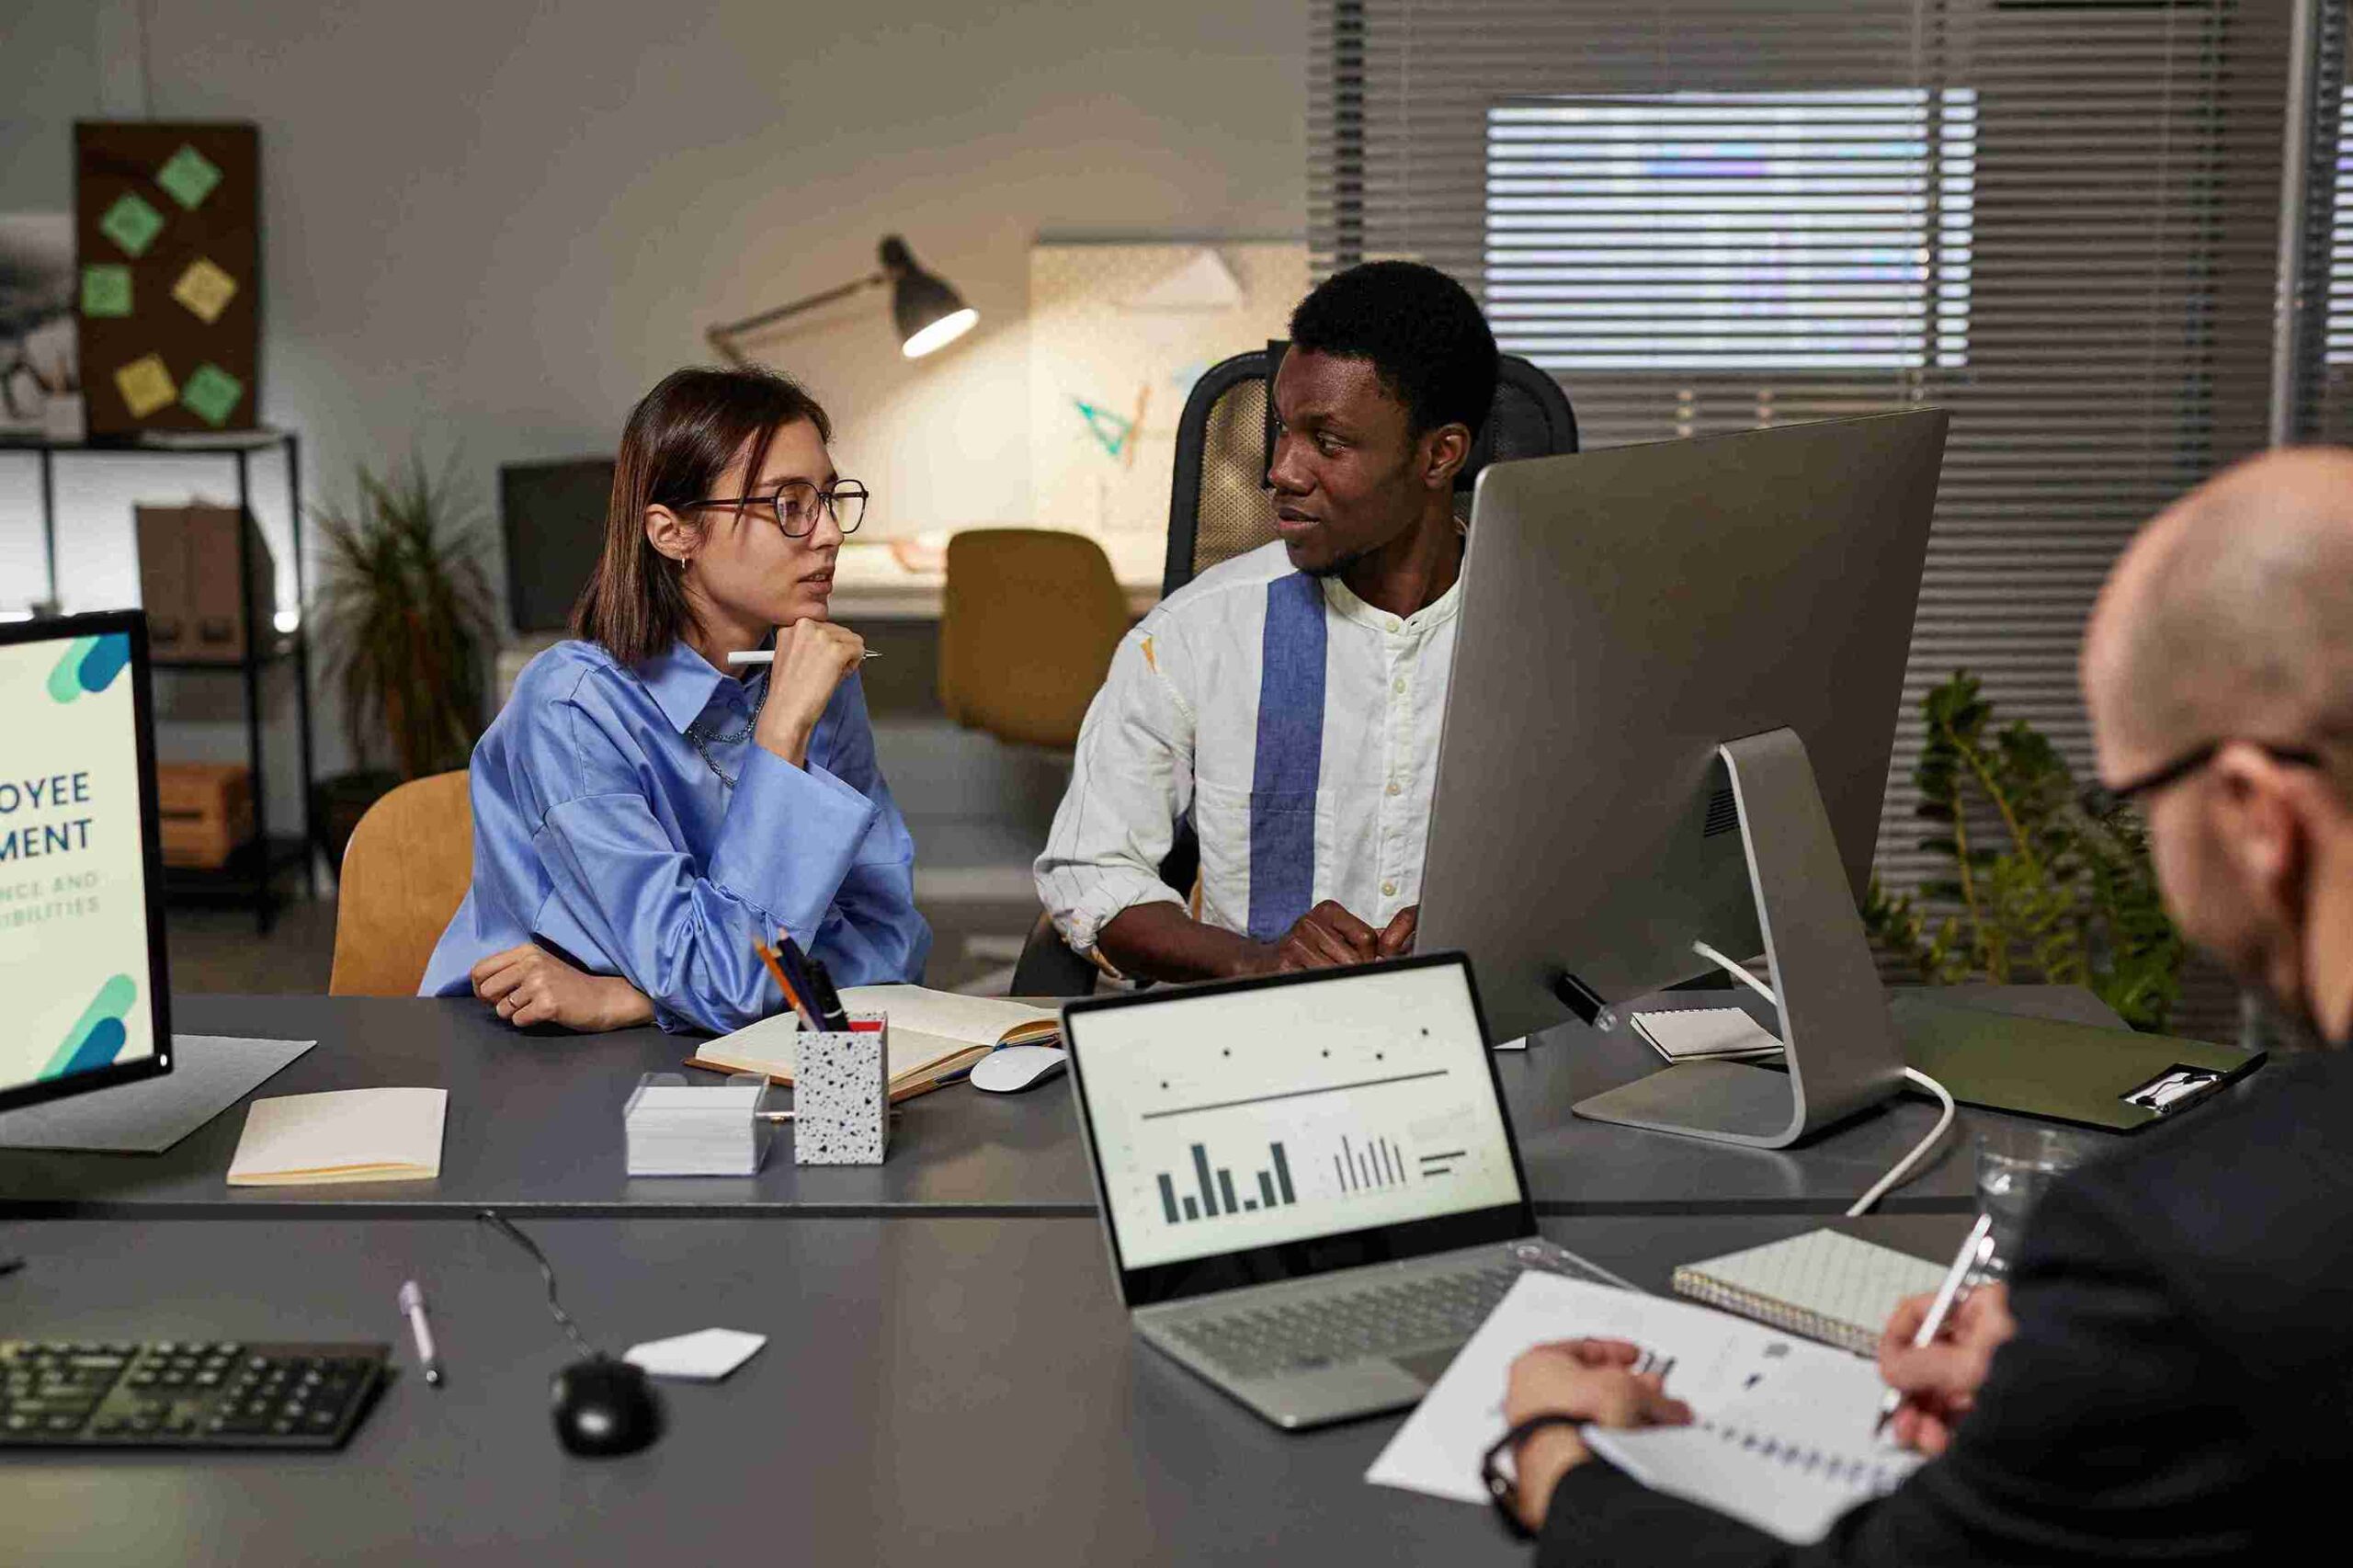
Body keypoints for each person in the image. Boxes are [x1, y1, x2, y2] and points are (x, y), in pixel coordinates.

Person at [1495, 445, 2353, 1562]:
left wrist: (1561, 1463)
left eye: (2137, 798)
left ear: (2252, 812)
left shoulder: (2180, 1254)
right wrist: (2089, 1389)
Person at [420, 367, 929, 1034]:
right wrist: (780, 740)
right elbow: (729, 982)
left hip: (716, 1045)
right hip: (547, 1064)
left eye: (831, 501)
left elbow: (892, 946)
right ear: (672, 533)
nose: (830, 533)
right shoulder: (572, 708)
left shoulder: (812, 674)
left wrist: (630, 999)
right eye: (789, 505)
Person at [1034, 261, 1498, 983]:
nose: (1283, 469)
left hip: (1501, 1040)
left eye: (1329, 442)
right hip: (1257, 1048)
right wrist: (1256, 960)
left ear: (1440, 455)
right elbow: (1089, 871)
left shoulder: (1555, 642)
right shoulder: (1192, 636)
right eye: (1283, 432)